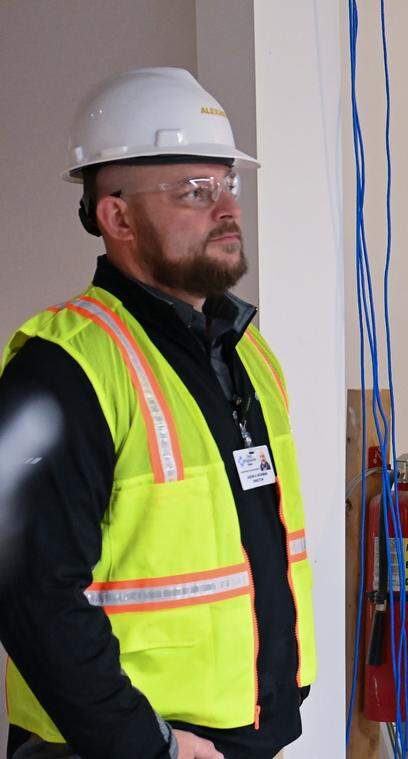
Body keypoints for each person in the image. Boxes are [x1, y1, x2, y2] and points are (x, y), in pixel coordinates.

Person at [0, 68, 317, 759]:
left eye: (228, 183)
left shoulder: (247, 352)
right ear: (116, 217)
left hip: (242, 733)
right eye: (194, 190)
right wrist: (150, 744)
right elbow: (31, 594)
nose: (227, 208)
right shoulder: (61, 369)